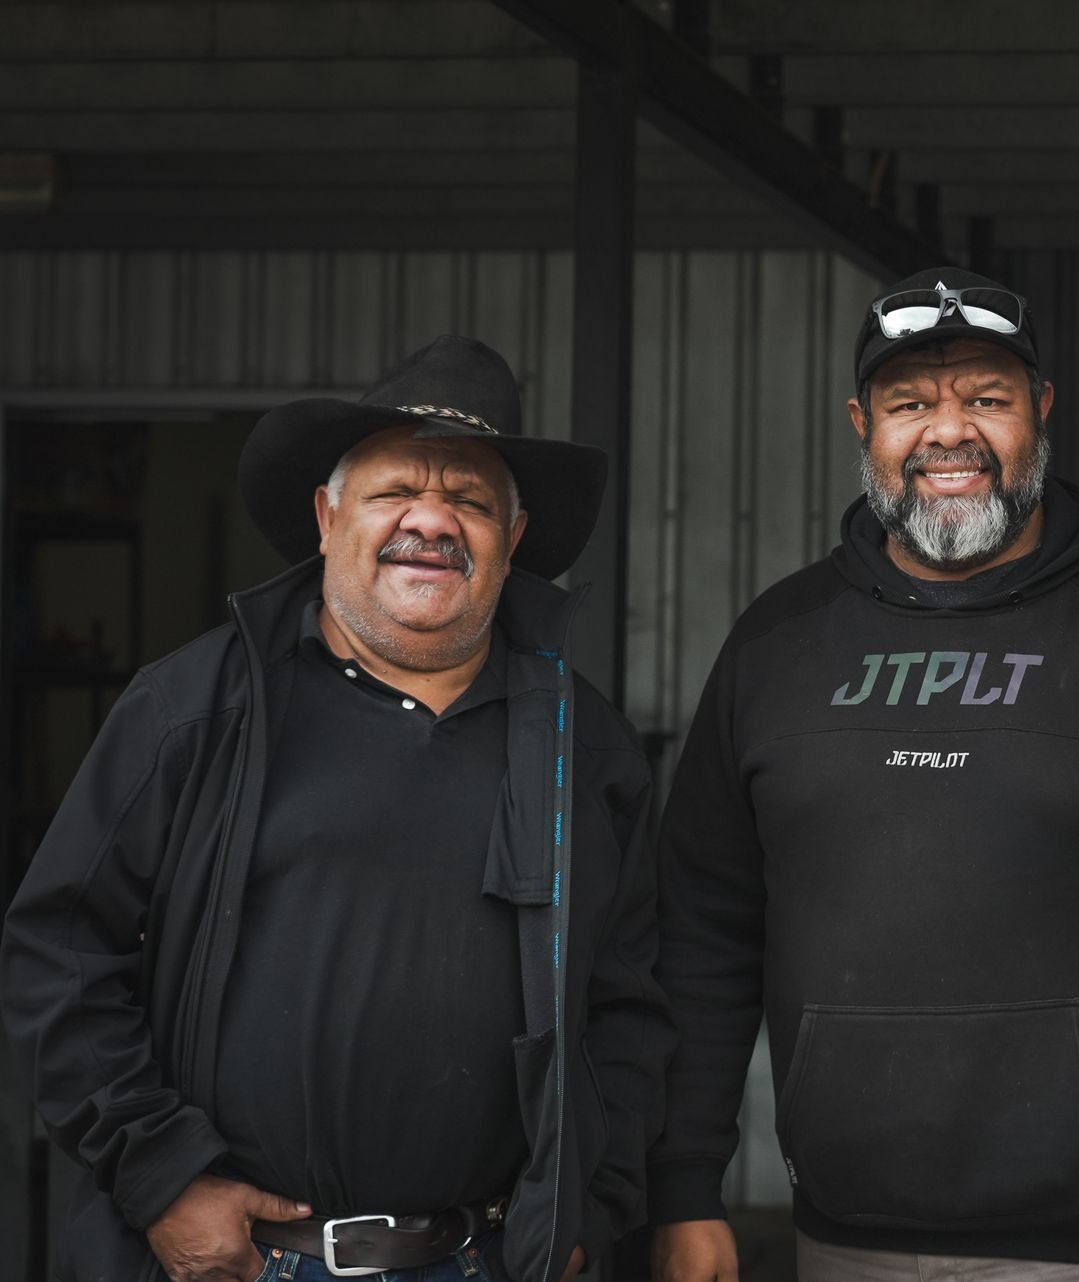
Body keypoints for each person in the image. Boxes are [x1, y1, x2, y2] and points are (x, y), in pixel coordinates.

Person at [1, 335, 672, 1282]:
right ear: (327, 517)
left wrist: (585, 1212)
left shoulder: (584, 747)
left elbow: (630, 1011)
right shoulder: (194, 710)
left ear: (512, 543)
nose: (430, 522)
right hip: (240, 1264)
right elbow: (58, 955)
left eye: (471, 502)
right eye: (395, 492)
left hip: (484, 1262)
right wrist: (161, 1176)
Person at [646, 268, 1079, 1281]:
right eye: (911, 403)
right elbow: (703, 929)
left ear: (1041, 410)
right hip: (844, 1235)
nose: (948, 432)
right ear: (861, 423)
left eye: (987, 398)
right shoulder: (778, 644)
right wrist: (684, 1184)